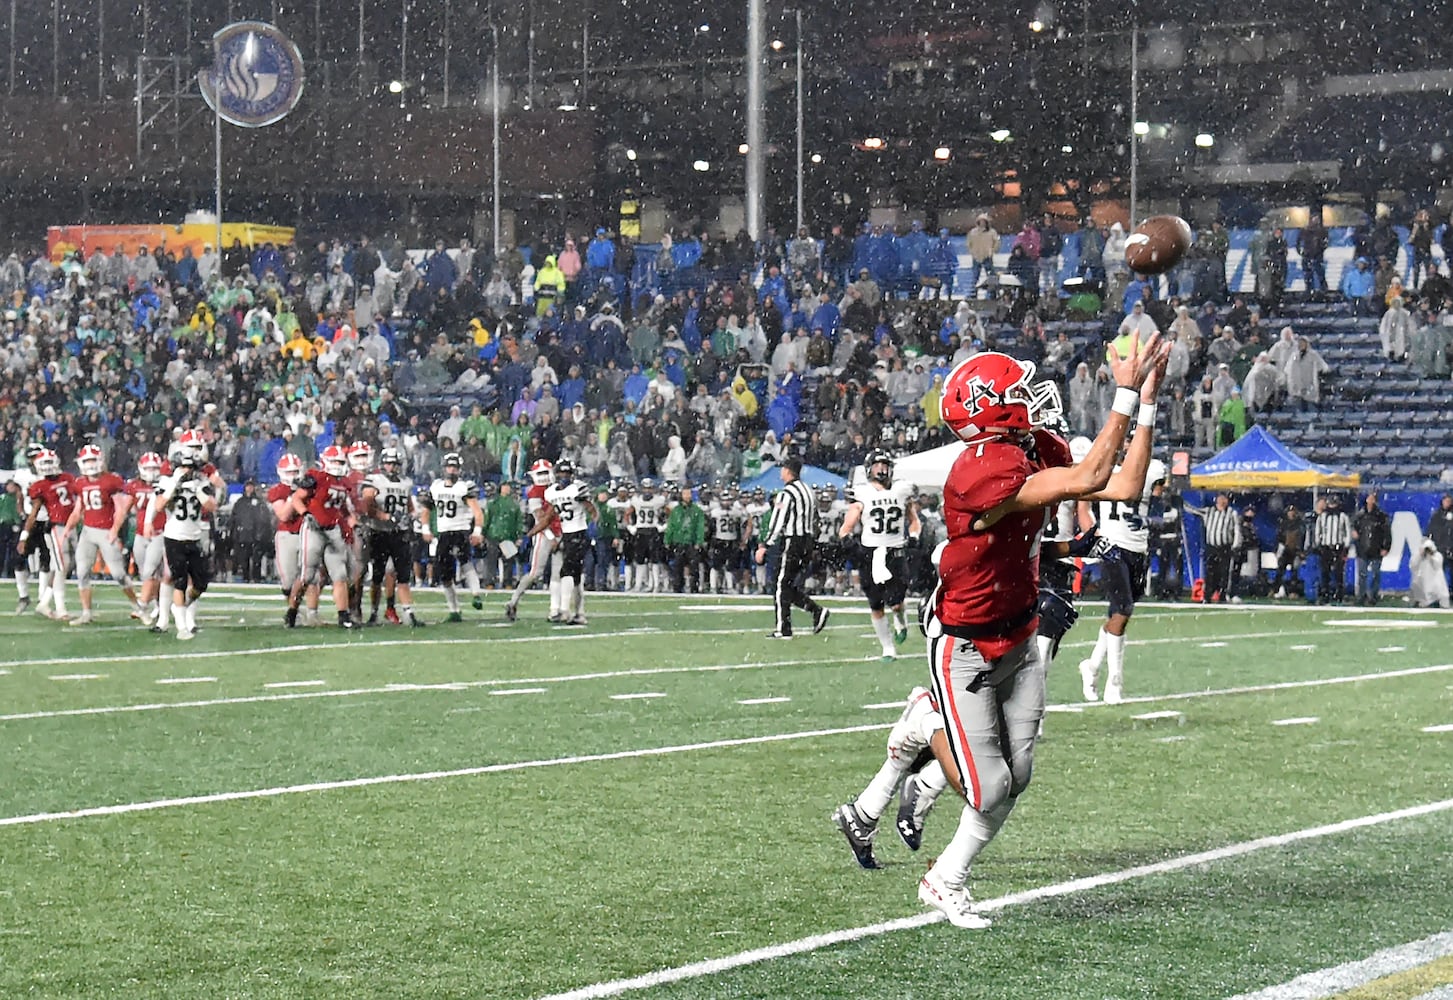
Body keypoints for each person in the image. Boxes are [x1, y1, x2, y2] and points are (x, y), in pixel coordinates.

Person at [832, 341, 1166, 921]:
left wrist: (1151, 403)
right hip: (965, 640)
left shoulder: (1027, 446)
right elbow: (1091, 473)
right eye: (1017, 391)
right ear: (990, 407)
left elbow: (1121, 486)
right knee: (986, 788)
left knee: (1019, 776)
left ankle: (945, 878)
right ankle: (924, 722)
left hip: (1018, 629)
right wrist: (1125, 393)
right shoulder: (979, 469)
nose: (1030, 400)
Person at [1076, 452, 1168, 704]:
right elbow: (1082, 500)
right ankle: (1114, 682)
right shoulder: (1109, 471)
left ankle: (1092, 665)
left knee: (1118, 614)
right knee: (1122, 611)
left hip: (1138, 550)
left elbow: (1164, 510)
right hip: (1112, 546)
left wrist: (1149, 519)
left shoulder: (1153, 470)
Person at [838, 449, 919, 661]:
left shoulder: (902, 489)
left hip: (895, 552)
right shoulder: (862, 493)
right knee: (876, 603)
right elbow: (847, 526)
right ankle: (888, 648)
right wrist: (848, 540)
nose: (882, 470)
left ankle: (901, 618)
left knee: (897, 602)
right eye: (877, 466)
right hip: (871, 554)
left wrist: (914, 536)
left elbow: (914, 520)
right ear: (869, 469)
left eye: (885, 465)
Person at [61, 444, 141, 625]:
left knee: (119, 574)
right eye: (86, 460)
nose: (90, 464)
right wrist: (68, 528)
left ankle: (138, 606)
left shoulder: (111, 480)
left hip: (106, 531)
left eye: (92, 460)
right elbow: (78, 510)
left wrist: (114, 530)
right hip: (88, 532)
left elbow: (121, 509)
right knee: (81, 572)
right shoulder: (80, 483)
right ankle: (86, 612)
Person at [145, 451, 219, 641]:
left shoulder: (200, 483)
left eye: (190, 467)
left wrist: (198, 492)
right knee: (179, 580)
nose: (186, 471)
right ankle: (181, 626)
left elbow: (212, 507)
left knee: (201, 583)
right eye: (183, 467)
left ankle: (180, 607)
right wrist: (174, 486)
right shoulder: (166, 482)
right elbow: (160, 505)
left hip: (194, 537)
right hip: (174, 537)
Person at [754, 456, 830, 639]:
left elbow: (778, 521)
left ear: (788, 471)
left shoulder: (786, 493)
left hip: (792, 541)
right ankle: (816, 610)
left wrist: (765, 544)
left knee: (780, 584)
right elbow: (816, 519)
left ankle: (783, 627)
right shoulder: (809, 491)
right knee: (787, 585)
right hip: (807, 541)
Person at [286, 444, 358, 630]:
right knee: (307, 575)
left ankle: (343, 616)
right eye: (335, 461)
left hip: (333, 529)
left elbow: (342, 509)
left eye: (341, 461)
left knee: (340, 574)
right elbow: (296, 498)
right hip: (313, 529)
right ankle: (291, 612)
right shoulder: (316, 477)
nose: (338, 464)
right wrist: (306, 514)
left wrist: (352, 521)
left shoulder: (344, 483)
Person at [359, 446, 426, 627]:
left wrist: (412, 515)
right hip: (379, 533)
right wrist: (387, 516)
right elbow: (368, 505)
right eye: (389, 463)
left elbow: (410, 507)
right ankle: (374, 612)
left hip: (399, 534)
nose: (392, 467)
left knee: (402, 575)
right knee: (377, 576)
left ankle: (408, 613)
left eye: (395, 464)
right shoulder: (374, 480)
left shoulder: (405, 482)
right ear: (382, 464)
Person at [422, 452, 485, 622]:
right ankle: (454, 610)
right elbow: (426, 510)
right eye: (449, 466)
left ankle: (476, 594)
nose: (452, 470)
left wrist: (477, 531)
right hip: (443, 533)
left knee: (465, 562)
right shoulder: (436, 486)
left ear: (459, 469)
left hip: (460, 531)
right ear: (444, 468)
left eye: (455, 467)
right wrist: (425, 528)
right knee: (445, 575)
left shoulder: (464, 487)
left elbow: (477, 511)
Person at [16, 447, 76, 621]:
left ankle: (44, 601)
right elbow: (33, 512)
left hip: (66, 525)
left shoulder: (66, 478)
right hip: (53, 526)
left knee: (60, 566)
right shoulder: (38, 485)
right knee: (59, 566)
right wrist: (24, 536)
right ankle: (57, 607)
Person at [535, 458, 596, 625]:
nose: (563, 476)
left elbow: (592, 510)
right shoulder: (552, 493)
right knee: (575, 578)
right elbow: (548, 517)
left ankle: (565, 612)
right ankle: (580, 614)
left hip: (578, 533)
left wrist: (593, 526)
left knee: (565, 573)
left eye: (567, 473)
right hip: (567, 535)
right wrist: (532, 532)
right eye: (561, 473)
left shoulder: (577, 489)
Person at [505, 460, 564, 622]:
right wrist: (552, 537)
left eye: (546, 472)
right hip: (544, 535)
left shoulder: (558, 488)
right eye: (541, 473)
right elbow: (540, 519)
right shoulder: (534, 493)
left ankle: (554, 610)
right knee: (535, 573)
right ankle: (513, 601)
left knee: (558, 573)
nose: (544, 477)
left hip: (561, 532)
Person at [270, 454, 307, 625]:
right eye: (289, 472)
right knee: (288, 581)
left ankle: (300, 611)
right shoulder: (278, 490)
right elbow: (284, 515)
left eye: (295, 471)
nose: (293, 475)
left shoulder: (307, 487)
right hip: (286, 535)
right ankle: (293, 609)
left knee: (307, 576)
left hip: (306, 533)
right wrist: (294, 497)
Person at [1193, 492, 1240, 603]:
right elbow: (1193, 510)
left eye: (1225, 499)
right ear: (1217, 500)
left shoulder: (1232, 513)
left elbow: (1237, 530)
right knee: (1210, 572)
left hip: (1224, 547)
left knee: (1224, 573)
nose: (1222, 501)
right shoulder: (1209, 511)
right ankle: (1207, 596)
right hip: (1211, 547)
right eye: (1221, 498)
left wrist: (1235, 545)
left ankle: (1223, 595)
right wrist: (1180, 502)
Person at [664, 486, 706, 594]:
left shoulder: (697, 510)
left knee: (694, 567)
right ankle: (678, 587)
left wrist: (699, 541)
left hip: (691, 542)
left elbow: (700, 527)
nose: (687, 496)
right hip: (678, 541)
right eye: (685, 494)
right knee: (677, 567)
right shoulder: (676, 511)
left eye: (689, 494)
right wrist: (667, 539)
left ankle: (694, 587)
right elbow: (671, 526)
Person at [1351, 492, 1392, 606]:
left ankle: (1372, 596)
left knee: (1374, 574)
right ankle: (1361, 596)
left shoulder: (1381, 516)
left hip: (1376, 548)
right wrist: (1354, 533)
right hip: (1363, 548)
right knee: (1362, 574)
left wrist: (1386, 547)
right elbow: (1353, 527)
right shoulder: (1360, 515)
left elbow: (1387, 533)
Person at [1312, 495, 1352, 605]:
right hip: (1326, 547)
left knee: (1338, 572)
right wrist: (1319, 544)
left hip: (1338, 547)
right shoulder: (1322, 517)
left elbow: (1347, 532)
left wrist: (1345, 546)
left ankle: (1339, 595)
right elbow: (1318, 531)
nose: (1332, 506)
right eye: (1331, 503)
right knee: (1325, 572)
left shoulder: (1343, 516)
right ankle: (1325, 595)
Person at [1272, 504, 1305, 599]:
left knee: (1295, 572)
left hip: (1296, 551)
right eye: (1289, 512)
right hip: (1285, 550)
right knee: (1280, 570)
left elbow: (1302, 538)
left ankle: (1293, 591)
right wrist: (1277, 549)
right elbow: (1278, 537)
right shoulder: (1283, 524)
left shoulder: (1300, 524)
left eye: (1293, 512)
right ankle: (1276, 590)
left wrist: (1301, 551)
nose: (1291, 514)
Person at [1429, 494, 1453, 592]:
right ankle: (1439, 593)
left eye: (1449, 501)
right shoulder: (1437, 515)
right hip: (1440, 549)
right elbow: (1431, 531)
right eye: (1445, 501)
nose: (1447, 503)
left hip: (1451, 548)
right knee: (1438, 573)